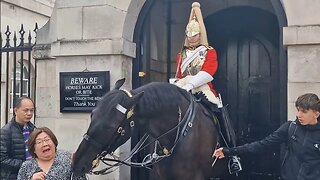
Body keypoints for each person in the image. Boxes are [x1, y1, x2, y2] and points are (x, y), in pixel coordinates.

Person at [171, 2, 241, 174]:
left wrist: (191, 84)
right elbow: (179, 74)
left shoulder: (209, 51)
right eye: (189, 33)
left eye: (195, 34)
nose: (192, 36)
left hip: (202, 87)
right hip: (182, 87)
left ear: (200, 34)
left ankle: (232, 155)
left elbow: (209, 72)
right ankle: (158, 152)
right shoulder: (181, 54)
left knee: (219, 111)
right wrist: (175, 85)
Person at [214, 93, 320, 180]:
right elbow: (262, 145)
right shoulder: (290, 128)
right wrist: (229, 151)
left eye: (304, 112)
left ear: (316, 114)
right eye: (298, 110)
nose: (298, 115)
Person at [17, 127, 87, 180]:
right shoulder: (26, 166)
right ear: (33, 149)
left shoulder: (68, 159)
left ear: (54, 142)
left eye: (47, 139)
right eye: (39, 142)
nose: (45, 144)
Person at [0, 96, 36, 179]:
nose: (29, 113)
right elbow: (2, 159)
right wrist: (26, 165)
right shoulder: (5, 132)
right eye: (26, 110)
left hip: (30, 175)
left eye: (31, 110)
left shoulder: (34, 129)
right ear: (15, 110)